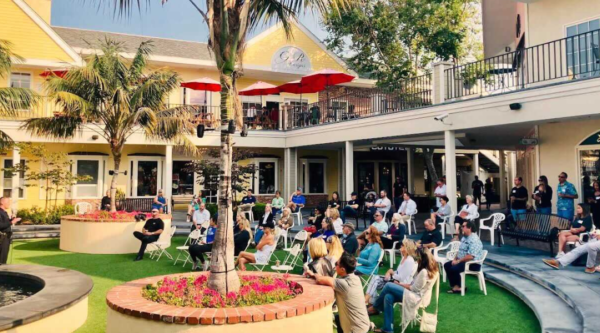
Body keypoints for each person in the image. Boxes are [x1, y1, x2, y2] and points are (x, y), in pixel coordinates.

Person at [369, 248, 439, 333]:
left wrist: (398, 284)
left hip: (416, 298)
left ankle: (375, 307)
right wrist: (399, 283)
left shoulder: (424, 272)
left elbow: (413, 288)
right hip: (414, 294)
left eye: (417, 258)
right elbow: (413, 285)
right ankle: (388, 329)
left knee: (388, 285)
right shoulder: (431, 269)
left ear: (422, 259)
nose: (416, 260)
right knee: (388, 297)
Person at [305, 253, 371, 333]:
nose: (334, 266)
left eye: (336, 264)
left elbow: (320, 280)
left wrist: (313, 274)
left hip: (355, 329)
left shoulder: (345, 284)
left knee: (338, 319)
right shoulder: (355, 278)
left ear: (343, 269)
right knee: (338, 318)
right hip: (362, 324)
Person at [365, 239, 417, 305]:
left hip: (400, 284)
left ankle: (367, 300)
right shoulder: (404, 258)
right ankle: (372, 301)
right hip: (394, 280)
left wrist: (391, 272)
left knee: (376, 280)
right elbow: (398, 272)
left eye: (402, 245)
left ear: (407, 248)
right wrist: (390, 272)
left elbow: (401, 278)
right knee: (375, 280)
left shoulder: (409, 261)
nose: (400, 246)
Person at [444, 221, 484, 294]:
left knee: (454, 268)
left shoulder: (474, 240)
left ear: (470, 228)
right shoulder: (464, 238)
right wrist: (455, 259)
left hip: (473, 263)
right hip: (463, 261)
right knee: (447, 265)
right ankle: (457, 286)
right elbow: (460, 251)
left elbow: (471, 256)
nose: (461, 228)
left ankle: (459, 287)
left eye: (463, 226)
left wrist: (458, 261)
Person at [0, 197, 20, 264]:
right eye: (8, 202)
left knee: (4, 257)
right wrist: (11, 222)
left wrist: (12, 220)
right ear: (2, 202)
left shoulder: (4, 212)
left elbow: (5, 223)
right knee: (1, 258)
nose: (9, 204)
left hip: (6, 238)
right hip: (2, 238)